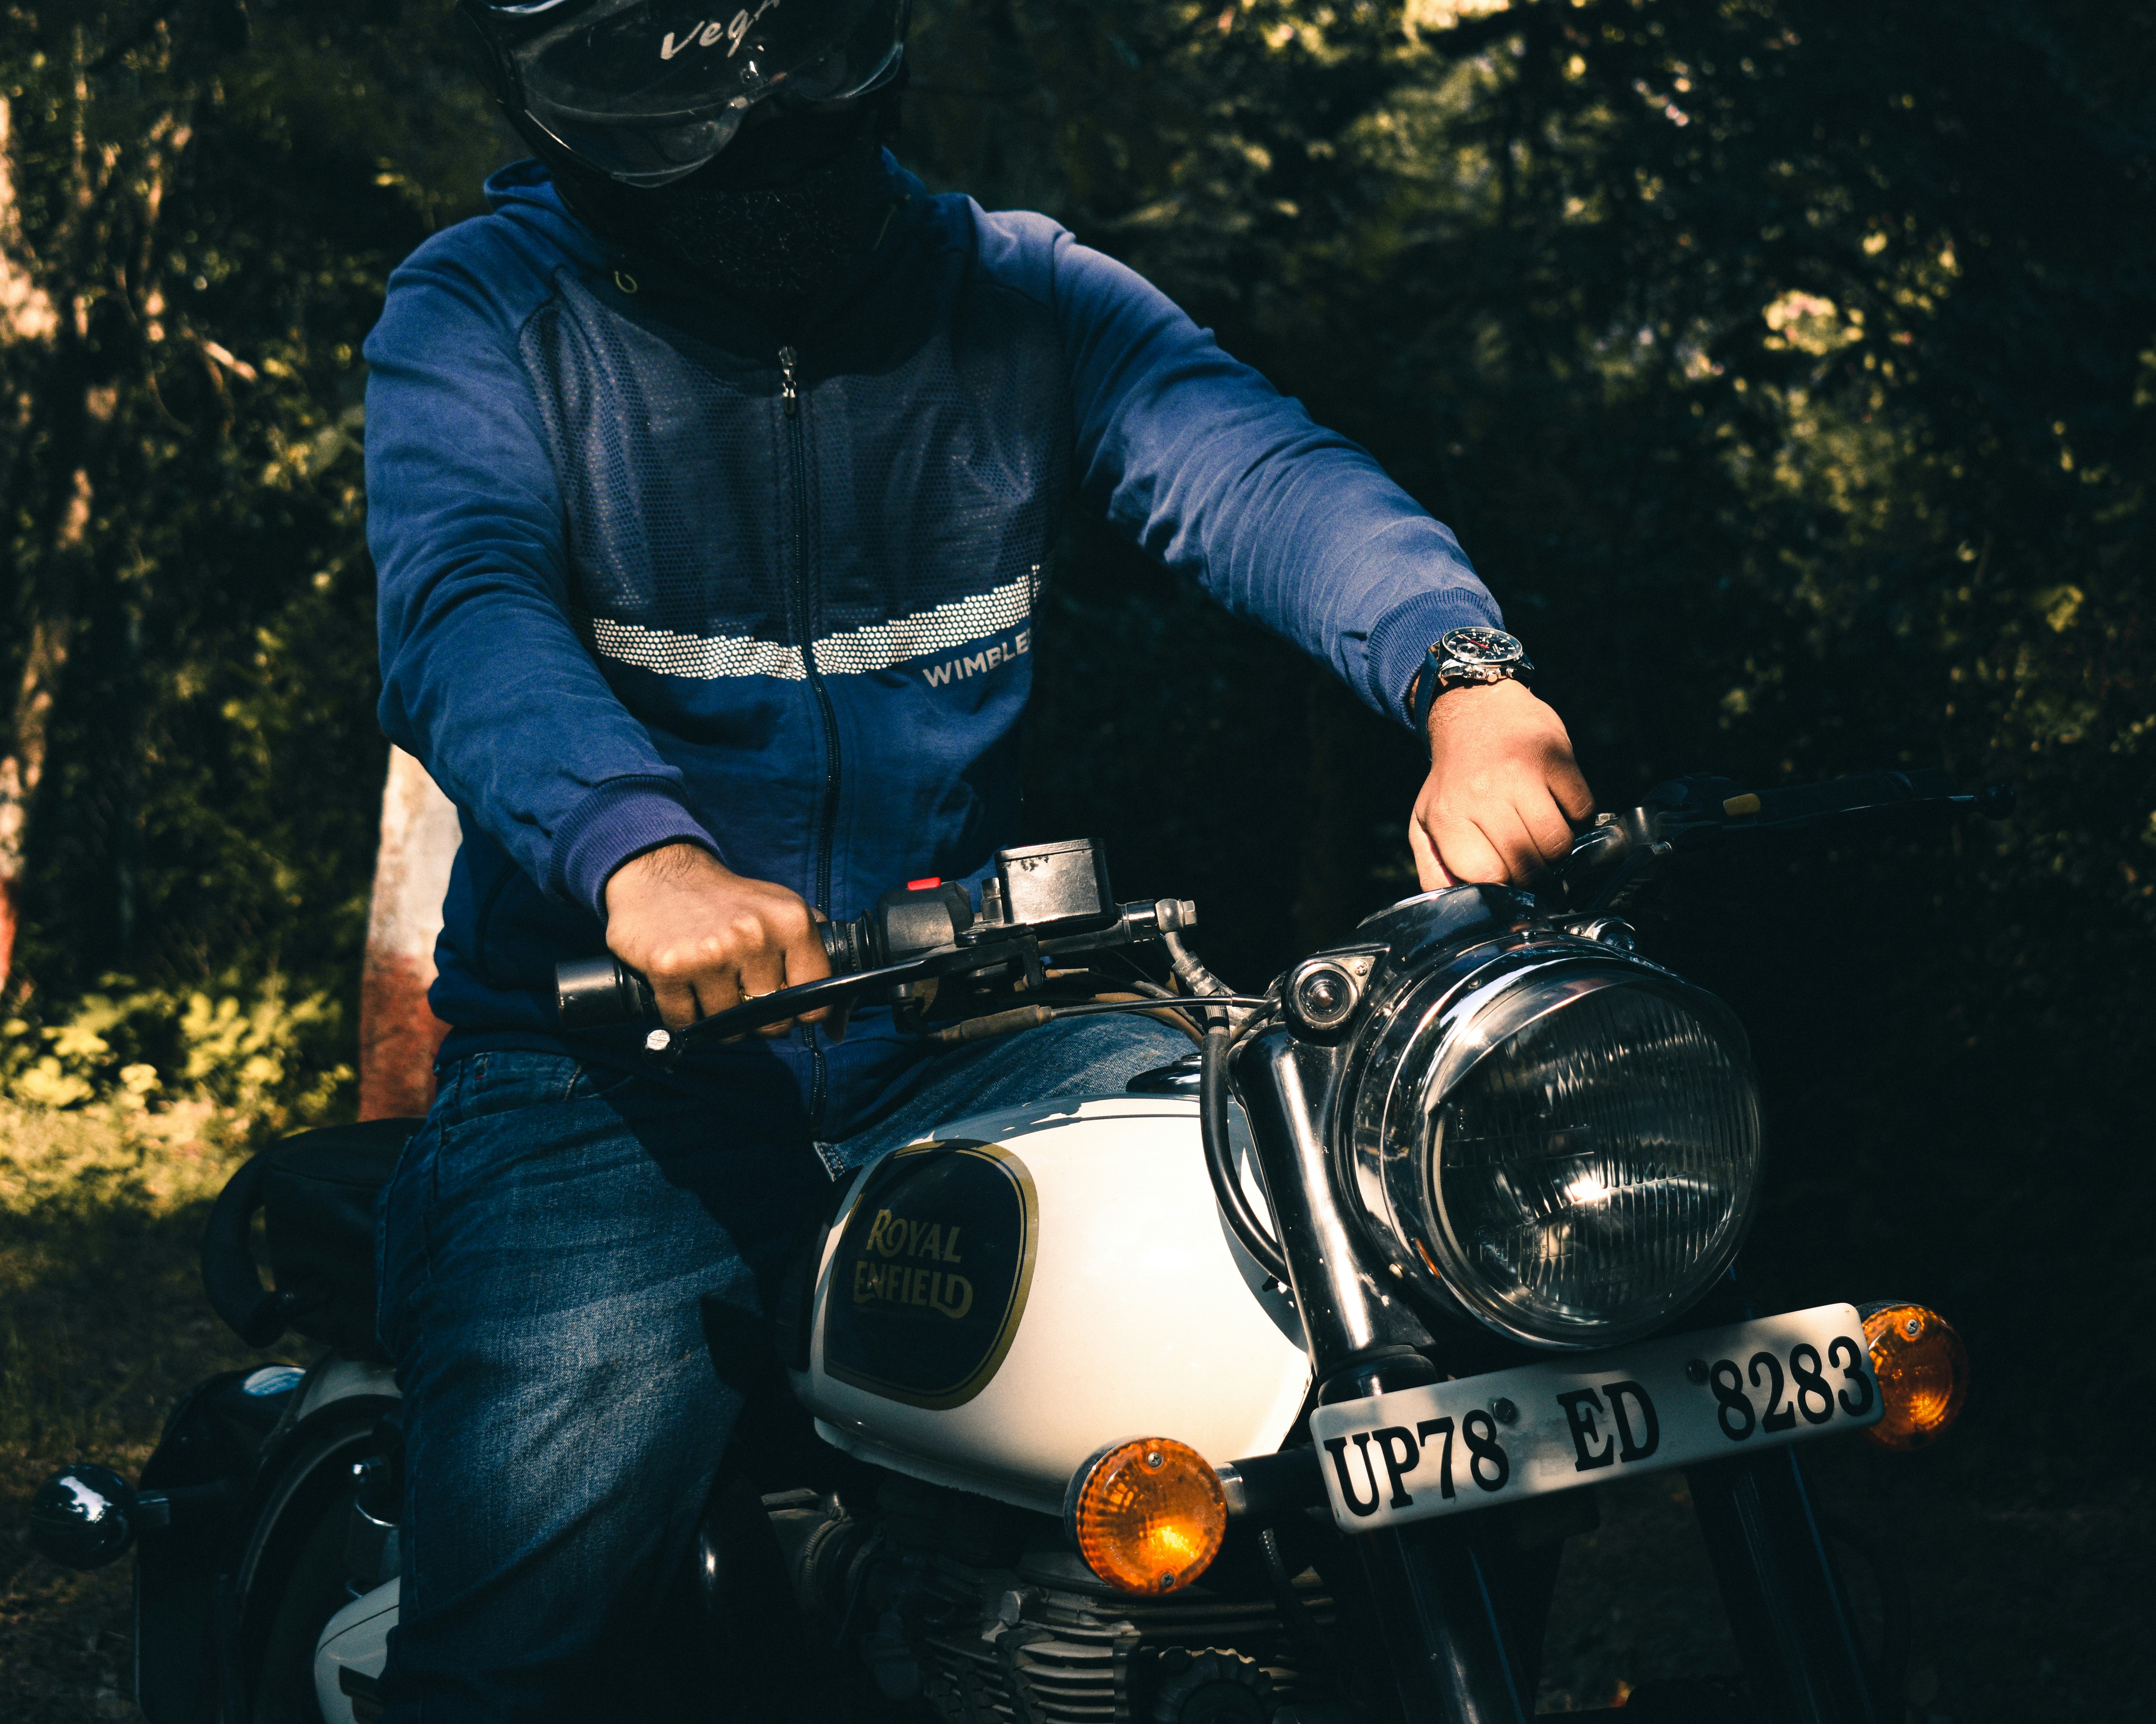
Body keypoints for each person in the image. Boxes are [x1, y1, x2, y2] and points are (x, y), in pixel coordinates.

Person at [364, 0, 1595, 1715]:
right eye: (692, 119)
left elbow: (1249, 464)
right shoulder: (489, 310)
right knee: (528, 1615)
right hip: (615, 1068)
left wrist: (1467, 681)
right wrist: (638, 860)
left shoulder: (1015, 294)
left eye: (794, 96)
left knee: (1315, 1294)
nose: (754, 152)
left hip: (973, 1022)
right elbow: (462, 601)